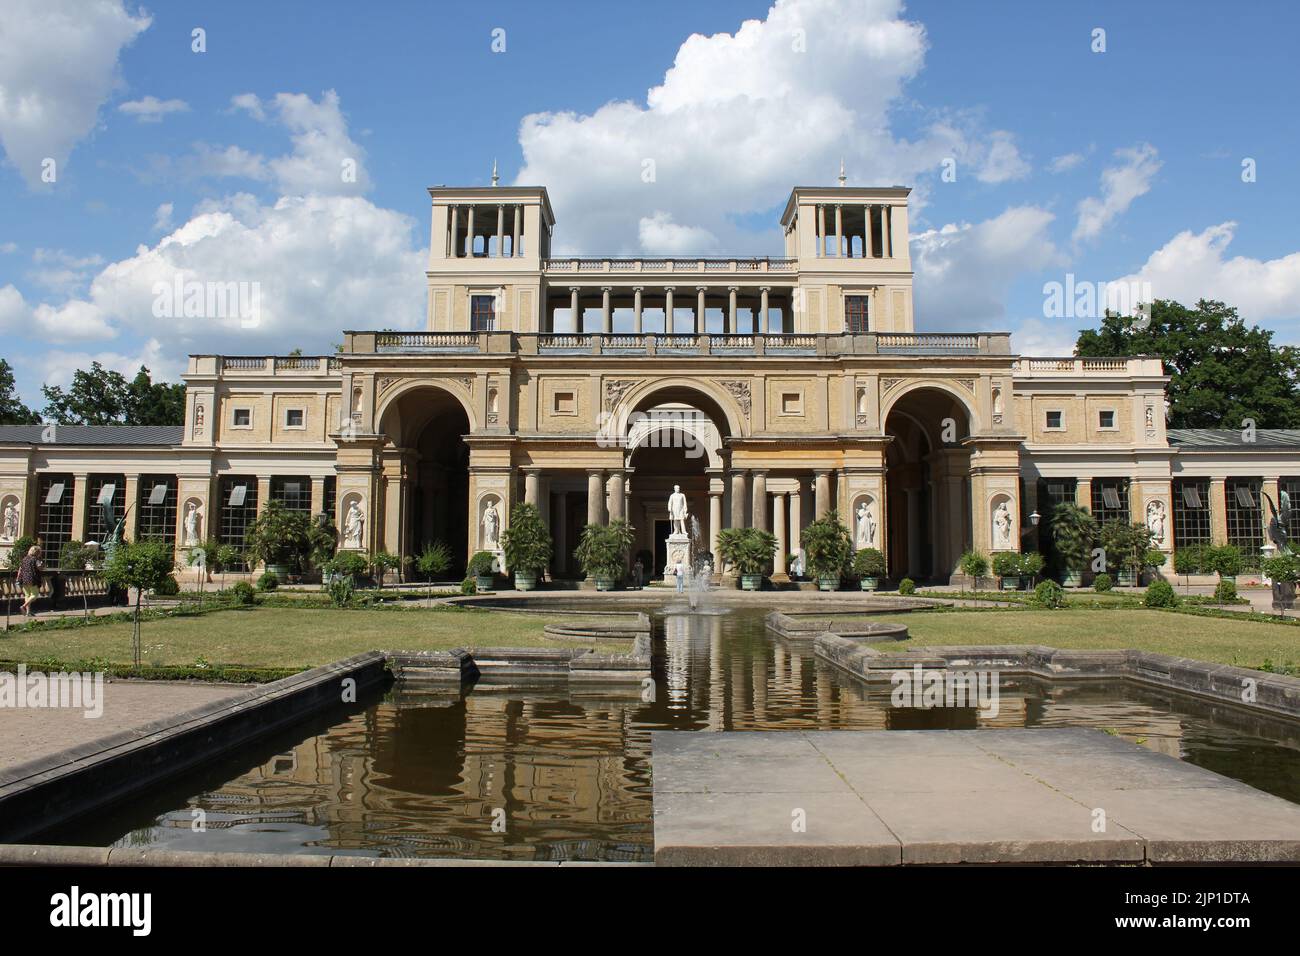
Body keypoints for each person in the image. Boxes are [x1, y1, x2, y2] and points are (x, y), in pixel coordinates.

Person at [17, 544, 42, 618]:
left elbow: (20, 569)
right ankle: (23, 606)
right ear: (37, 552)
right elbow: (39, 568)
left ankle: (28, 612)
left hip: (24, 579)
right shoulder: (36, 559)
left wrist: (18, 578)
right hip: (32, 579)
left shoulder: (24, 559)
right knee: (34, 595)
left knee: (27, 595)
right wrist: (42, 565)